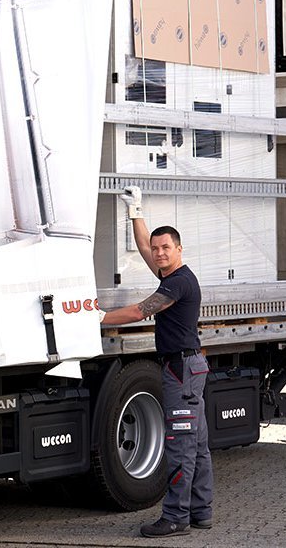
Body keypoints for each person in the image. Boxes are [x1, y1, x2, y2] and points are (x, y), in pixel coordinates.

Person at [100, 186, 214, 538]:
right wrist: (136, 211)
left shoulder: (179, 283)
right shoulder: (171, 273)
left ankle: (176, 517)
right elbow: (147, 247)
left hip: (181, 371)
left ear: (180, 250)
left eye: (167, 248)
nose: (160, 253)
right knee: (197, 445)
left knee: (181, 446)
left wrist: (96, 318)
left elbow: (139, 311)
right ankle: (201, 513)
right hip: (188, 368)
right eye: (157, 248)